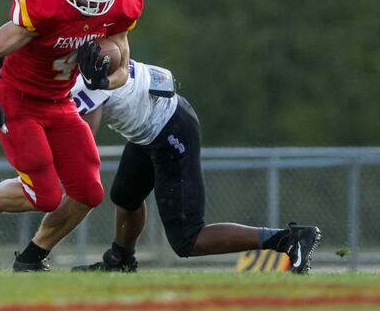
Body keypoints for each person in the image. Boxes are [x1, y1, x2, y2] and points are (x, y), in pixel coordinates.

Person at [0, 0, 144, 271]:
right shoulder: (44, 4)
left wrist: (103, 81)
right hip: (19, 100)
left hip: (61, 102)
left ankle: (31, 258)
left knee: (89, 192)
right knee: (44, 195)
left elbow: (123, 68)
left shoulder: (122, 4)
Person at [66, 59, 322, 274]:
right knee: (125, 196)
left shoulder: (82, 62)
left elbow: (83, 135)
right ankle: (120, 260)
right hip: (149, 127)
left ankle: (288, 240)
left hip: (169, 128)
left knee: (188, 239)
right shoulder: (84, 45)